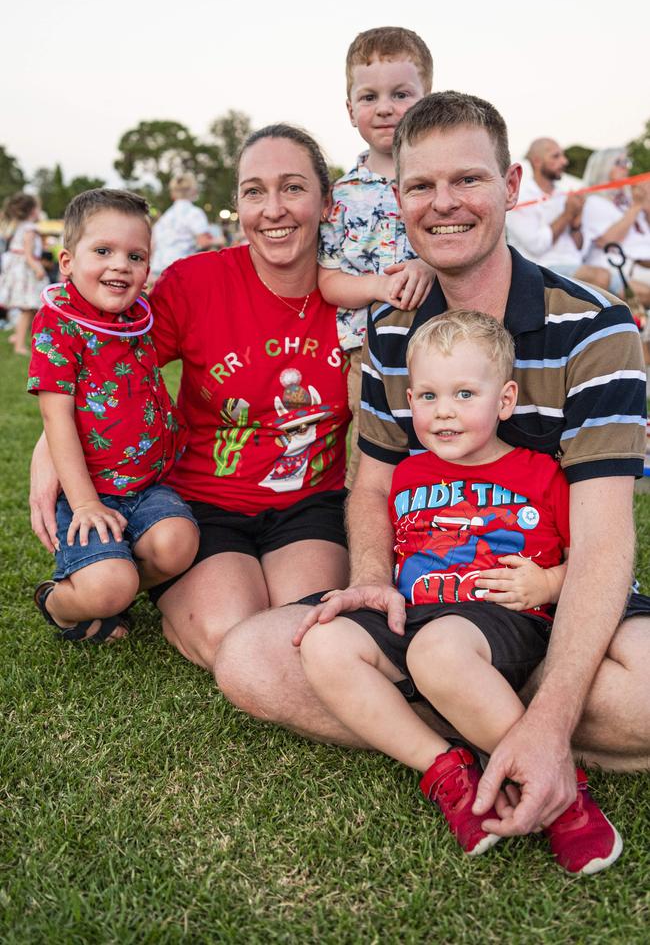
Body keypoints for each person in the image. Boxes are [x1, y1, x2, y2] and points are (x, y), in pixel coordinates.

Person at [213, 92, 650, 826]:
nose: (443, 204)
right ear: (398, 196)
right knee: (249, 658)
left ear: (510, 188)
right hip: (427, 602)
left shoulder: (597, 332)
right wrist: (375, 582)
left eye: (468, 180)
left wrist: (553, 708)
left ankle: (492, 726)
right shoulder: (393, 332)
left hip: (548, 593)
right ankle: (489, 725)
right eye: (421, 185)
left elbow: (605, 536)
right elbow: (372, 484)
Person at [299, 310, 622, 873]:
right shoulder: (406, 475)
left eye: (464, 393)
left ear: (504, 400)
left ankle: (562, 792)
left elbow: (589, 561)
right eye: (427, 395)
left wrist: (545, 582)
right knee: (323, 644)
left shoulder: (541, 473)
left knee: (439, 650)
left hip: (500, 621)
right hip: (416, 612)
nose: (442, 410)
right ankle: (447, 770)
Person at [30, 125, 351, 671]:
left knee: (302, 631)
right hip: (202, 501)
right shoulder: (195, 283)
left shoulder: (356, 295)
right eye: (254, 191)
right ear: (238, 207)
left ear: (327, 204)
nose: (273, 208)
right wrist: (47, 450)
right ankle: (99, 584)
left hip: (308, 501)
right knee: (232, 635)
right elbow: (103, 372)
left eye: (293, 188)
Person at [28, 189, 199, 643]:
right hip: (91, 489)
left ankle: (112, 590)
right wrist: (84, 503)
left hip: (147, 487)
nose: (121, 264)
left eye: (135, 255)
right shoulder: (57, 325)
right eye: (103, 251)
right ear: (66, 262)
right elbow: (57, 420)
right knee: (110, 585)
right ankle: (61, 601)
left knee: (179, 543)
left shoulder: (137, 315)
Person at [318, 27, 435, 486]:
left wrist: (429, 265)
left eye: (401, 94)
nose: (385, 107)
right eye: (369, 96)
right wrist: (378, 287)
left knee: (449, 437)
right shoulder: (341, 196)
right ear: (351, 110)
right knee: (373, 453)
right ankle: (365, 534)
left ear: (427, 99)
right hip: (366, 353)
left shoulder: (440, 179)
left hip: (445, 338)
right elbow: (329, 280)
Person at [506, 138, 609, 288]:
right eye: (556, 156)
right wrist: (567, 215)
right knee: (600, 277)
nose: (564, 161)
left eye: (563, 155)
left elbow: (580, 248)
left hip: (576, 266)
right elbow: (536, 245)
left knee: (634, 286)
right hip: (542, 270)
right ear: (536, 161)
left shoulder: (563, 195)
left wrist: (576, 223)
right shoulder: (520, 196)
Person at [581, 149, 650, 306]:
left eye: (627, 162)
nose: (626, 167)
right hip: (622, 269)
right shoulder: (594, 202)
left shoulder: (627, 202)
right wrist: (637, 207)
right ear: (603, 168)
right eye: (620, 163)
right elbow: (607, 241)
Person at [0, 193, 47, 355]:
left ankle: (17, 335)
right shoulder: (29, 229)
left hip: (18, 270)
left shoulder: (19, 226)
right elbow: (28, 254)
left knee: (31, 307)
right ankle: (19, 344)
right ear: (33, 211)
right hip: (26, 272)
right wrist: (38, 268)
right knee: (28, 307)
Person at [150, 173, 216, 280]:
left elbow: (152, 245)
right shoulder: (194, 213)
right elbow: (204, 242)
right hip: (180, 270)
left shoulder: (165, 217)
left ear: (173, 194)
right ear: (194, 191)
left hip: (158, 269)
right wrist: (219, 241)